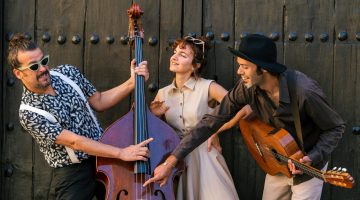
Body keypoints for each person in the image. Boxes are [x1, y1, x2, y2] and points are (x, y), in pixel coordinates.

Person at [144, 34, 346, 200]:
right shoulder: (246, 88)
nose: (239, 71)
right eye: (239, 64)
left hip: (308, 165)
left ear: (263, 69)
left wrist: (313, 157)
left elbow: (335, 127)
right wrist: (170, 163)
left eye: (245, 66)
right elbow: (210, 122)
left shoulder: (304, 91)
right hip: (276, 163)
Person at [8, 33, 153, 200]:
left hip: (105, 157)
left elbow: (99, 101)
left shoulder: (68, 73)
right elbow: (75, 141)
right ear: (18, 74)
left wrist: (131, 83)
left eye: (44, 61)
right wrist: (121, 153)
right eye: (34, 66)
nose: (42, 68)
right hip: (73, 173)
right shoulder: (28, 112)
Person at [149, 36, 241, 200]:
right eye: (175, 52)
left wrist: (216, 130)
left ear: (195, 65)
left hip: (204, 156)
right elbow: (157, 132)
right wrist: (155, 116)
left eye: (183, 55)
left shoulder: (208, 87)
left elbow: (243, 109)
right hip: (175, 158)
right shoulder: (162, 94)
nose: (174, 57)